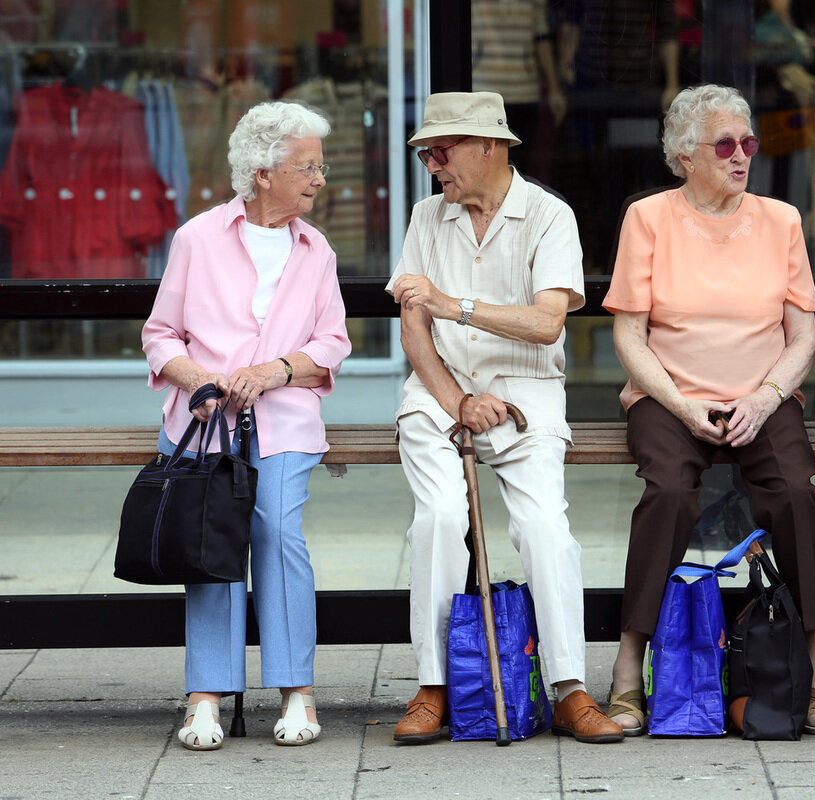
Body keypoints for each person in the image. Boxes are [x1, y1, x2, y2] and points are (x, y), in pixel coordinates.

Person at [385, 91, 623, 745]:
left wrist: (454, 304)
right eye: (427, 151)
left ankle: (570, 689)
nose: (433, 161)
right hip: (440, 390)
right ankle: (433, 684)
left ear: (490, 146)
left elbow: (549, 324)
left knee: (545, 526)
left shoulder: (548, 216)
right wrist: (456, 399)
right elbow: (414, 335)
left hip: (525, 390)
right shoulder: (426, 218)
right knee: (438, 518)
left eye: (444, 149)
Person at [602, 84, 815, 737]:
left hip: (761, 398)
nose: (743, 157)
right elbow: (628, 335)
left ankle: (813, 664)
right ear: (684, 155)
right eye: (726, 145)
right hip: (669, 395)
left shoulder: (780, 219)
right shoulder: (648, 218)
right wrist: (679, 404)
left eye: (749, 144)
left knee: (795, 494)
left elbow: (803, 337)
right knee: (671, 493)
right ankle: (630, 661)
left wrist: (764, 399)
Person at [142, 101, 352, 750]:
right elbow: (160, 334)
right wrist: (198, 382)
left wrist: (275, 371)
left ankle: (296, 689)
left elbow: (332, 341)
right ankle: (207, 693)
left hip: (283, 420)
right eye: (307, 166)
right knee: (213, 545)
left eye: (320, 166)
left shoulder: (316, 249)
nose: (320, 178)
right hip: (204, 426)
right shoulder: (199, 238)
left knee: (277, 531)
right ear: (263, 173)